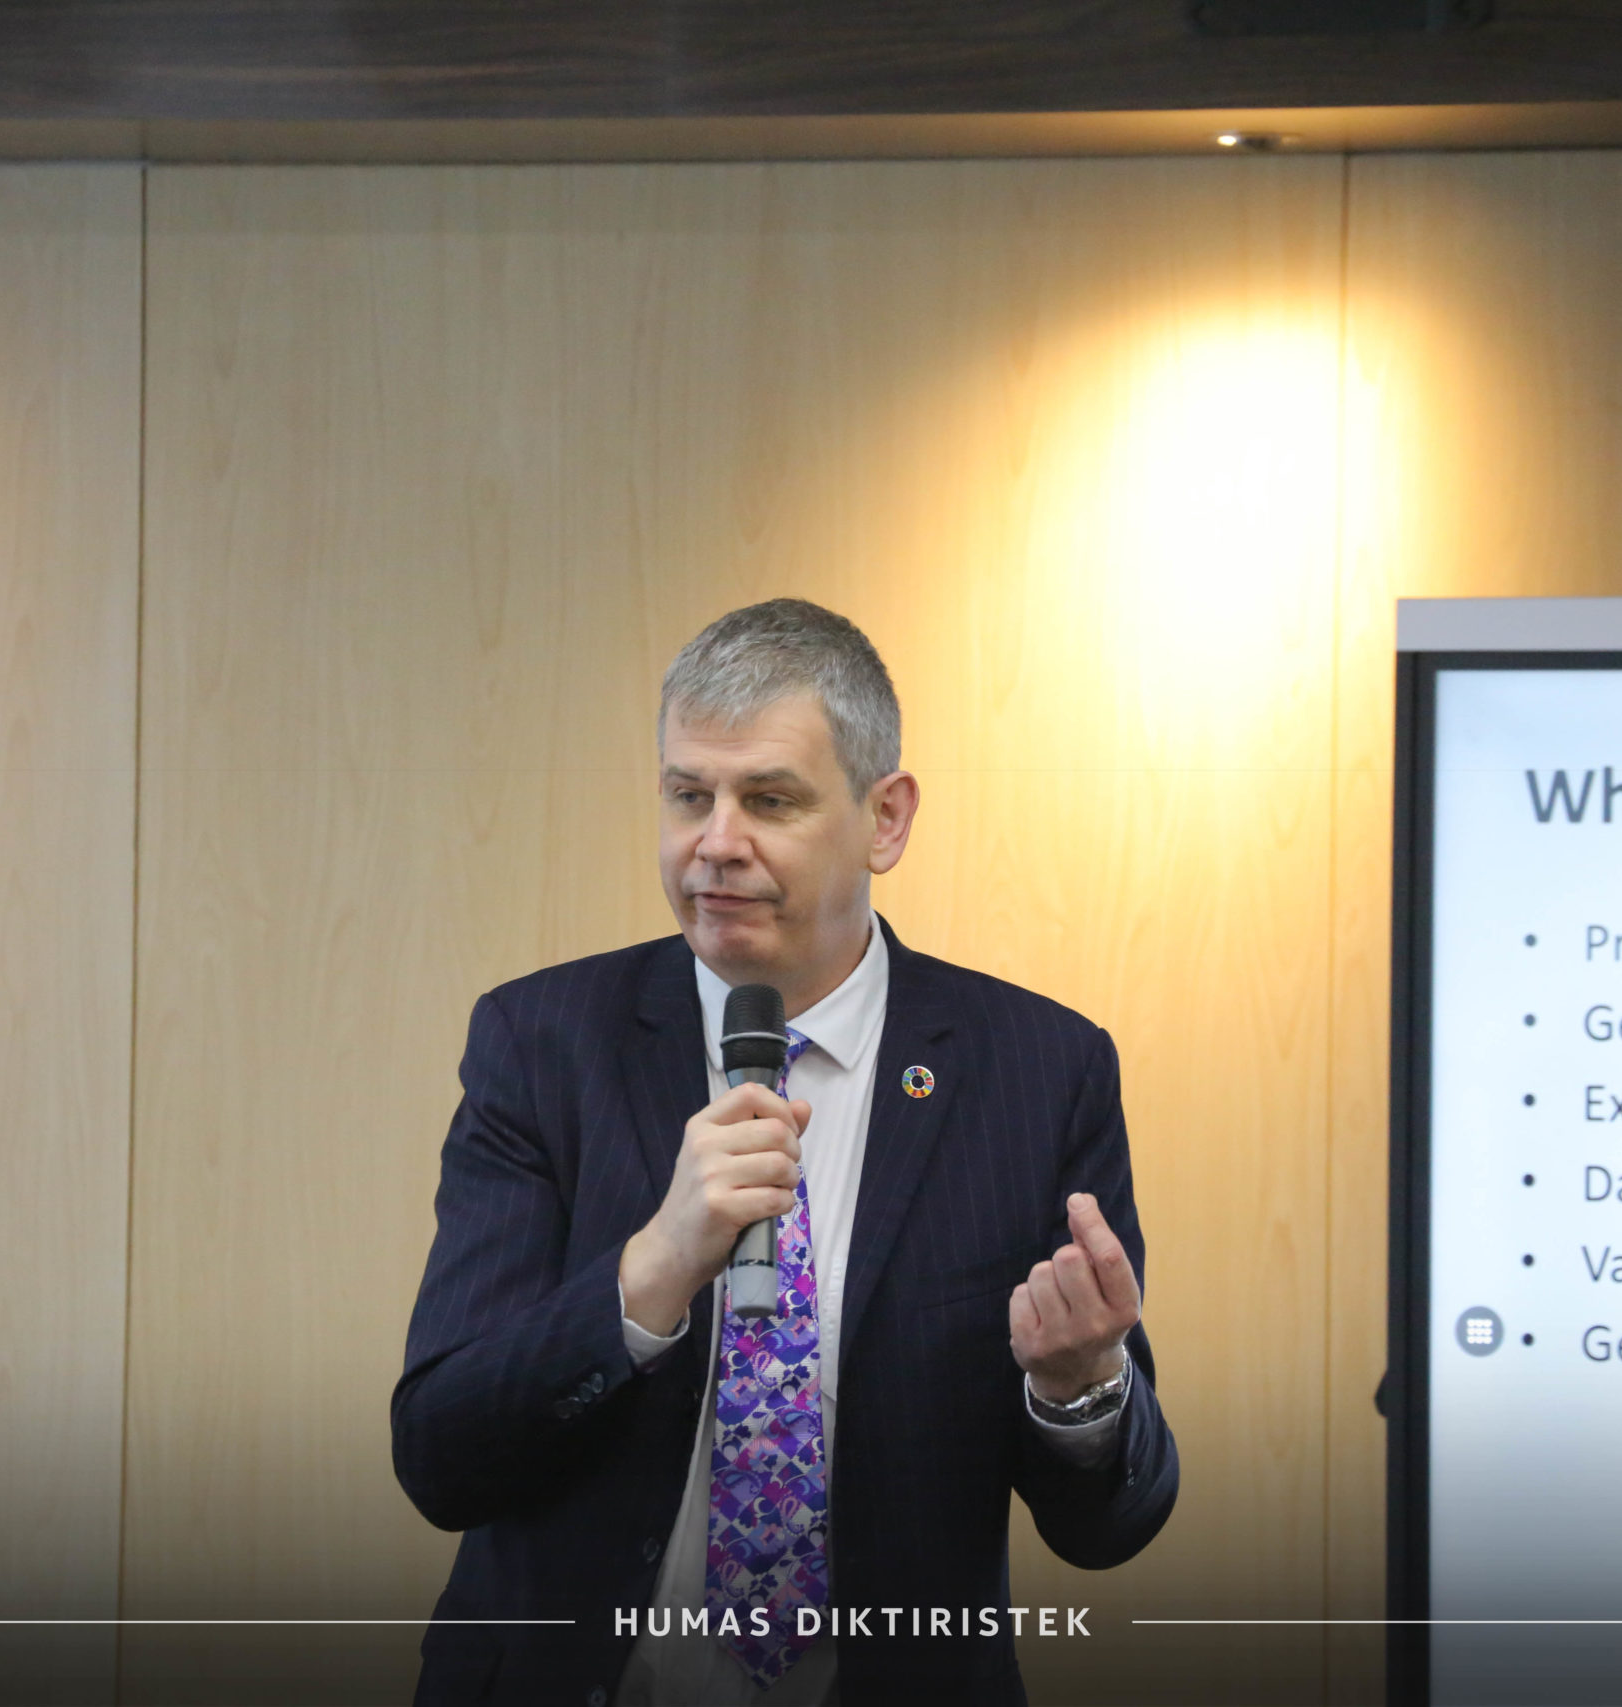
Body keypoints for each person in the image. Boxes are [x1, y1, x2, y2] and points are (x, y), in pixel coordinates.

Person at [392, 599, 1178, 1705]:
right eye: (688, 796)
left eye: (768, 799)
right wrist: (650, 1272)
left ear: (885, 819)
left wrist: (1078, 1387)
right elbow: (440, 1456)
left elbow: (1114, 1524)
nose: (716, 842)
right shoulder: (542, 1043)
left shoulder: (1039, 1071)